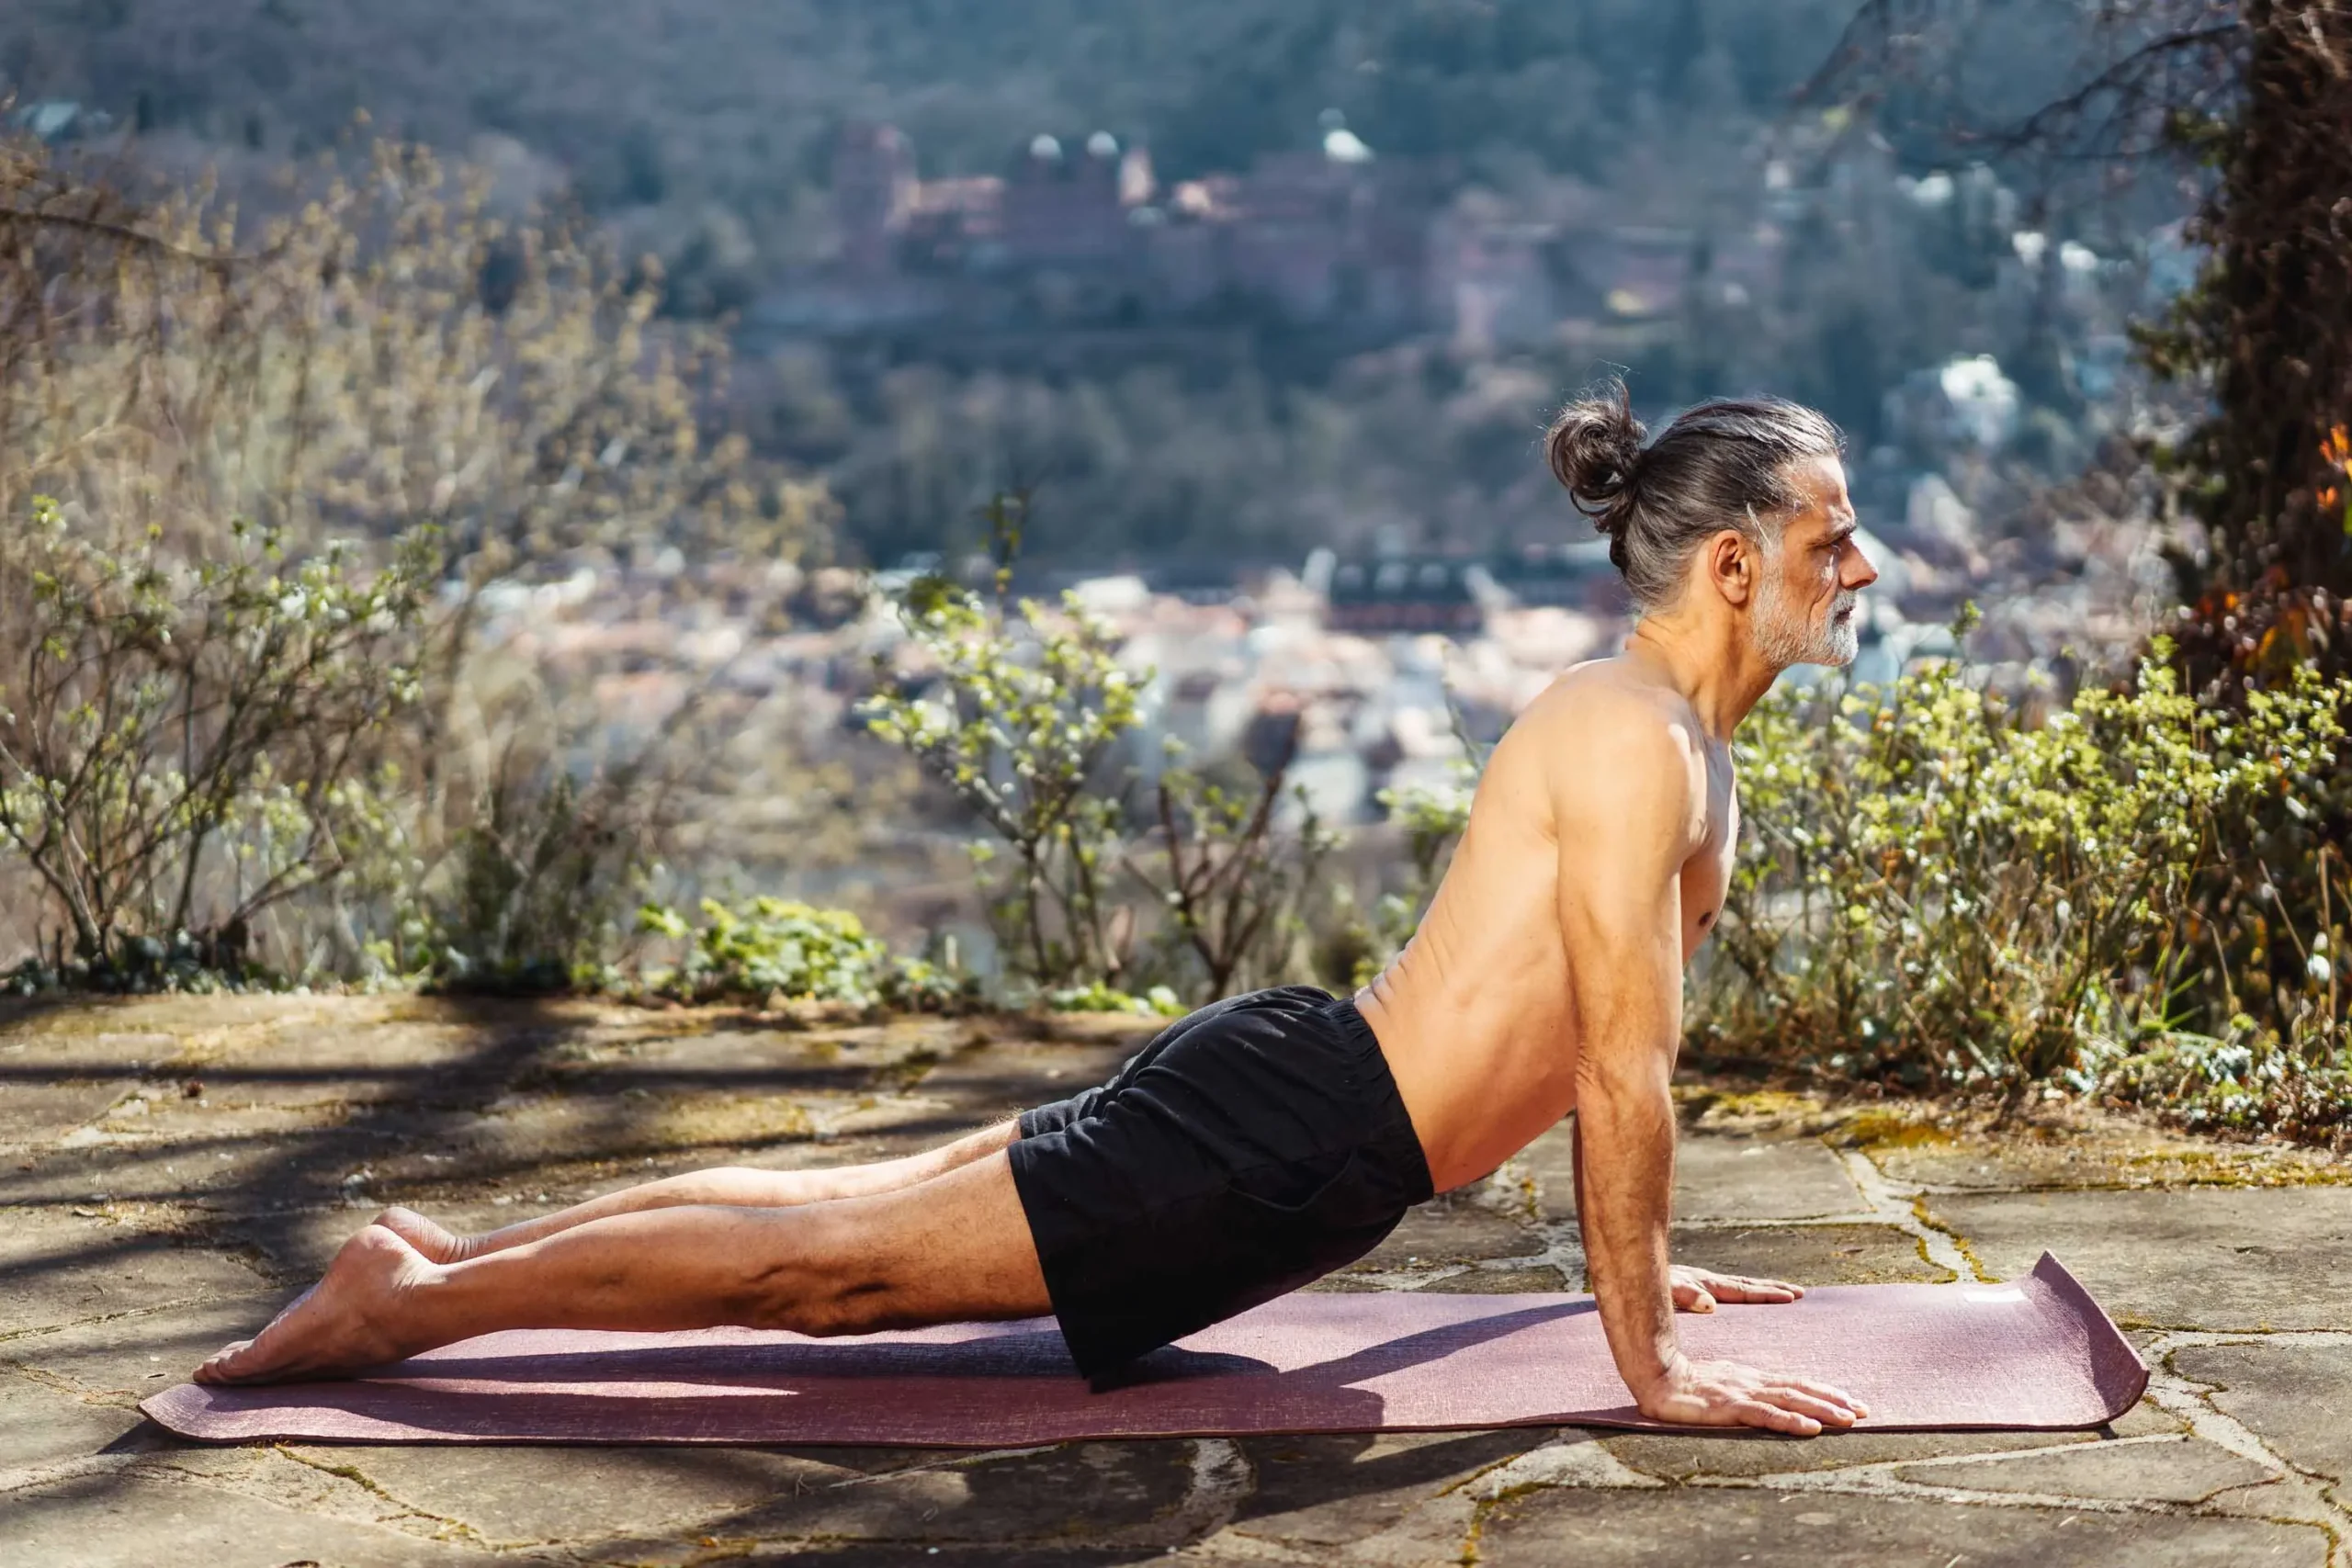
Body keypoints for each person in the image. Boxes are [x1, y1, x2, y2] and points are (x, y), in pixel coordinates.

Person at [198, 381, 1879, 1437]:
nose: (1860, 568)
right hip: (1288, 1137)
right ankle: (408, 1307)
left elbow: (1582, 1050)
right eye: (1834, 538)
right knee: (837, 1278)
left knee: (849, 1208)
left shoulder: (1673, 740)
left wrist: (1647, 1257)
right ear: (1731, 561)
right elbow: (1619, 1071)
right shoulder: (1633, 737)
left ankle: (428, 1257)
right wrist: (1644, 1352)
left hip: (1301, 1101)